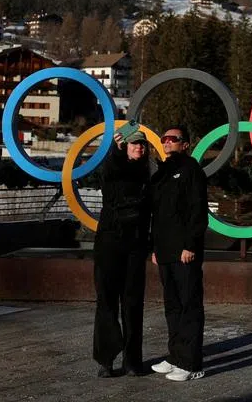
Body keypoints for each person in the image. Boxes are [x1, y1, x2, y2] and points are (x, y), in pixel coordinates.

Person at [149, 125, 208, 382]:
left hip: (185, 251)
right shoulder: (163, 172)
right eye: (164, 139)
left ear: (185, 144)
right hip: (164, 251)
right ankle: (175, 356)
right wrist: (154, 247)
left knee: (189, 306)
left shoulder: (192, 170)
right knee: (172, 306)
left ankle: (190, 363)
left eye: (174, 139)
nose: (167, 142)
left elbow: (198, 211)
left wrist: (190, 245)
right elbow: (158, 215)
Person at [92, 128, 152, 378]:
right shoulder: (114, 168)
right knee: (106, 301)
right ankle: (106, 359)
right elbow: (110, 169)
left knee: (133, 303)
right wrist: (115, 150)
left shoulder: (148, 174)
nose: (139, 147)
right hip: (109, 242)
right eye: (134, 144)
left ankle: (132, 360)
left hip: (136, 245)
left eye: (142, 145)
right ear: (125, 147)